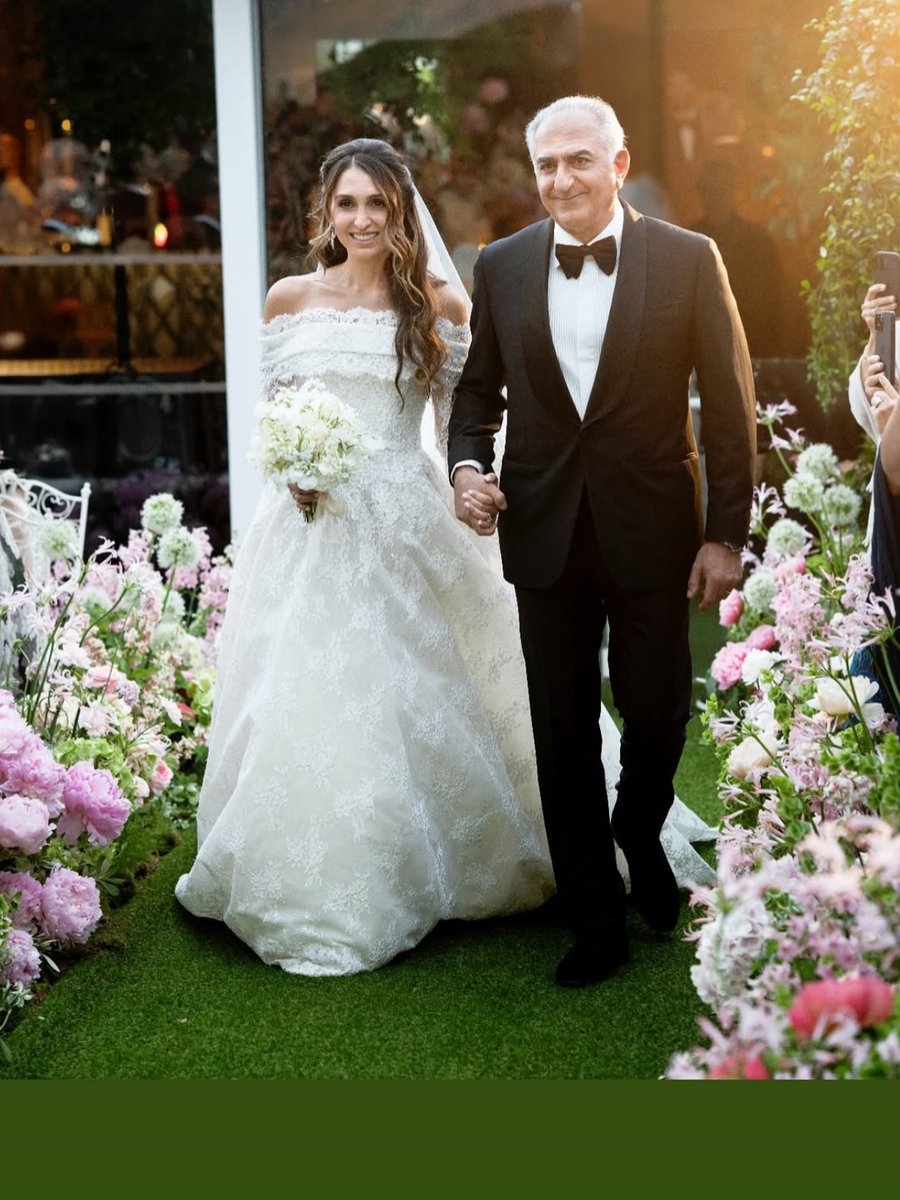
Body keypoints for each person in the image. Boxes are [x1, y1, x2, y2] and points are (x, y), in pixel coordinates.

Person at [174, 136, 717, 978]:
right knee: (311, 698)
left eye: (376, 204)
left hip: (406, 516)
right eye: (346, 204)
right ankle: (329, 876)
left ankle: (565, 849)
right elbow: (277, 416)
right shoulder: (287, 300)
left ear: (400, 212)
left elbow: (465, 413)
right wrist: (292, 473)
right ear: (327, 211)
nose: (360, 219)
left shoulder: (440, 305)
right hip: (311, 535)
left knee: (438, 690)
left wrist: (470, 480)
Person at [448, 95, 756, 988]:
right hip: (543, 531)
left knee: (660, 708)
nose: (561, 179)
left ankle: (638, 828)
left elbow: (731, 411)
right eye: (547, 164)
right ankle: (595, 919)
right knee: (561, 727)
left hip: (655, 527)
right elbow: (476, 399)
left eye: (579, 160)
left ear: (618, 166)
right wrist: (468, 470)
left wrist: (725, 536)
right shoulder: (500, 266)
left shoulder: (691, 260)